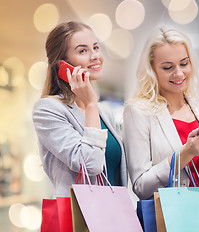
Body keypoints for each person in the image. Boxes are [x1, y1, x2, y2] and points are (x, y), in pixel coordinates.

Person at [122, 27, 199, 200]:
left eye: (184, 63)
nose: (179, 73)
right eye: (167, 67)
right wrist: (186, 152)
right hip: (171, 217)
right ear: (152, 69)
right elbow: (141, 187)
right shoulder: (138, 112)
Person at [32, 21, 128, 198]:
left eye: (96, 47)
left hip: (112, 215)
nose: (95, 56)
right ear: (63, 64)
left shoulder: (103, 112)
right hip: (78, 219)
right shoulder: (47, 109)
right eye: (83, 51)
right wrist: (91, 104)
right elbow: (91, 164)